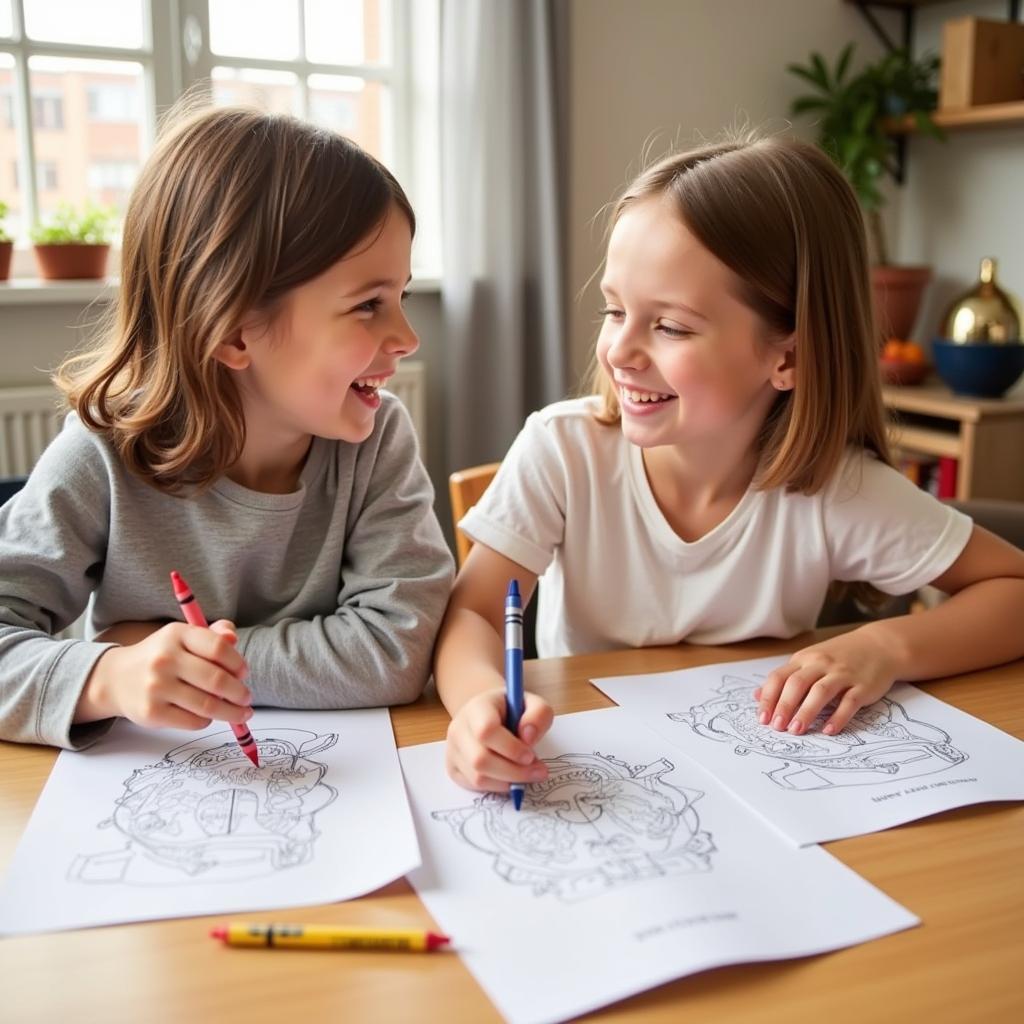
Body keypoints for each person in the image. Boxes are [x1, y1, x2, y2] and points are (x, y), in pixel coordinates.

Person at [435, 135, 1024, 794]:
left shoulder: (835, 488)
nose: (619, 350)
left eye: (672, 327)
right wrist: (477, 703)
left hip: (766, 787)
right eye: (615, 310)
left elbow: (1014, 591)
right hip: (599, 776)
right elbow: (474, 614)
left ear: (789, 358)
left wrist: (886, 647)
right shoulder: (563, 452)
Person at [0, 103, 454, 749]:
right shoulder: (100, 453)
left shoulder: (378, 437)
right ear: (236, 330)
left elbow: (397, 650)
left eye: (401, 296)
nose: (406, 337)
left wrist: (195, 662)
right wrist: (110, 675)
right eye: (367, 305)